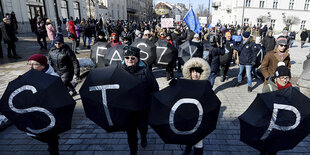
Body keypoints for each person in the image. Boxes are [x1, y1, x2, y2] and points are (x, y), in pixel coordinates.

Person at [121, 46, 159, 155]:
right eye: (127, 57)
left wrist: (151, 103)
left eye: (133, 58)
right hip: (127, 109)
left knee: (143, 127)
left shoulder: (145, 70)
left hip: (142, 107)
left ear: (137, 59)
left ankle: (143, 137)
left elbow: (154, 87)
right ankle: (133, 151)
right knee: (131, 132)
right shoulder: (120, 71)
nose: (129, 60)